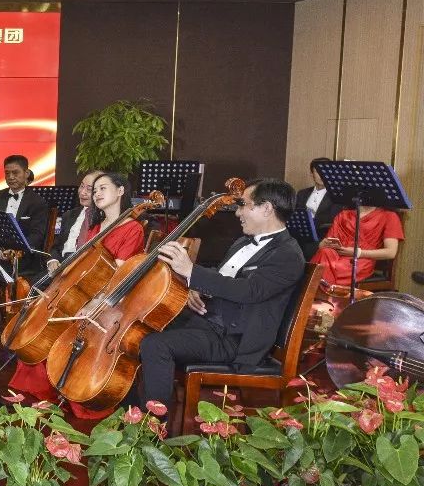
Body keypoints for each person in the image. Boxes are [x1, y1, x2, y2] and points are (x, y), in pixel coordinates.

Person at [136, 179, 307, 408]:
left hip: (234, 339)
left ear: (267, 208)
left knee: (156, 345)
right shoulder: (241, 242)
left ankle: (153, 424)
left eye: (243, 205)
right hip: (208, 323)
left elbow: (249, 291)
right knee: (138, 328)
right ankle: (132, 411)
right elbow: (223, 276)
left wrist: (191, 271)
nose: (237, 213)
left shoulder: (288, 254)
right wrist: (196, 288)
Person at [8, 172, 146, 418]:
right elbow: (84, 265)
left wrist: (94, 302)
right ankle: (45, 390)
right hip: (85, 291)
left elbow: (119, 275)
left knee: (61, 325)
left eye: (103, 188)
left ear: (120, 191)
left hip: (108, 298)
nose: (97, 193)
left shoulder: (133, 228)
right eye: (95, 190)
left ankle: (70, 389)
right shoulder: (95, 227)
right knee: (49, 321)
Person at [311, 204, 403, 287]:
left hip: (360, 259)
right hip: (334, 256)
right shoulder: (344, 214)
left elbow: (391, 252)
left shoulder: (389, 216)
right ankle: (324, 294)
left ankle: (317, 293)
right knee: (324, 254)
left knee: (317, 270)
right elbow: (329, 242)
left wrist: (357, 252)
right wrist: (322, 244)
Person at [0, 154, 50, 272]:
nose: (11, 177)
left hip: (24, 256)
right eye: (7, 173)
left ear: (26, 173)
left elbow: (37, 235)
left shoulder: (37, 201)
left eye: (15, 173)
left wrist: (15, 252)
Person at [46, 170, 105, 268]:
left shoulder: (105, 217)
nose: (82, 192)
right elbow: (56, 247)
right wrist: (53, 260)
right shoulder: (69, 215)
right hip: (61, 265)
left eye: (89, 189)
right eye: (81, 186)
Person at [295, 157, 338, 258]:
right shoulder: (302, 193)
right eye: (318, 171)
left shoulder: (336, 196)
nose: (322, 175)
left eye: (326, 171)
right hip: (300, 235)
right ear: (312, 174)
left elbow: (334, 220)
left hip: (322, 237)